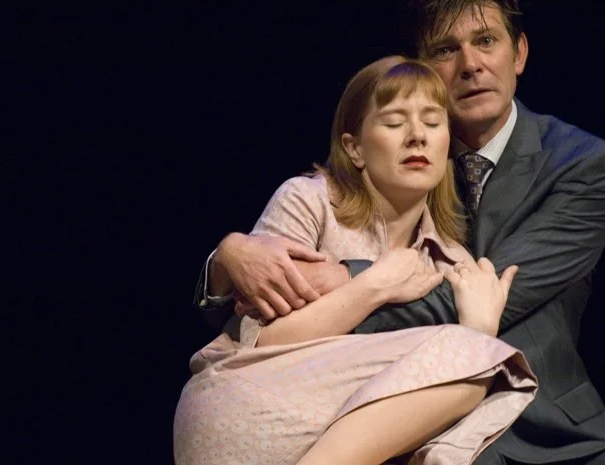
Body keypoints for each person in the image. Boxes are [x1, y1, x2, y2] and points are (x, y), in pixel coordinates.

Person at [196, 1, 605, 464]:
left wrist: (351, 278)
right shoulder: (382, 166)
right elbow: (251, 316)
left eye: (487, 41)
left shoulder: (581, 164)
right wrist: (228, 257)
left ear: (520, 53)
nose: (470, 64)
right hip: (341, 417)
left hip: (541, 426)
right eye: (446, 49)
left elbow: (492, 289)